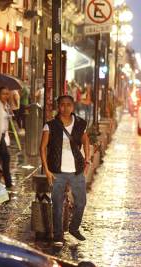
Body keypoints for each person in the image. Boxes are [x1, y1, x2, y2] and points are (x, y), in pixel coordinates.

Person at [40, 95, 90, 247]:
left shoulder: (81, 123)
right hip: (57, 171)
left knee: (81, 202)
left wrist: (87, 159)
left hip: (77, 171)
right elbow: (42, 148)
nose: (65, 107)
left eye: (69, 105)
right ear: (58, 106)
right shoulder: (50, 125)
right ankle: (58, 236)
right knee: (57, 205)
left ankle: (74, 228)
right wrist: (47, 171)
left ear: (73, 107)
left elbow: (86, 141)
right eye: (62, 105)